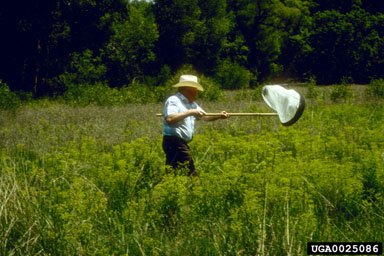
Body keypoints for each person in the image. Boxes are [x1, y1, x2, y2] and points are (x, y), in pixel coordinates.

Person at [162, 75, 230, 176]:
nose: (196, 93)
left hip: (180, 142)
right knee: (191, 171)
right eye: (195, 90)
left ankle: (167, 188)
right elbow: (170, 119)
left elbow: (205, 117)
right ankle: (194, 187)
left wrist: (219, 115)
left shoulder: (192, 104)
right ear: (187, 89)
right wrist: (190, 112)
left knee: (172, 172)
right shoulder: (174, 100)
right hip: (174, 141)